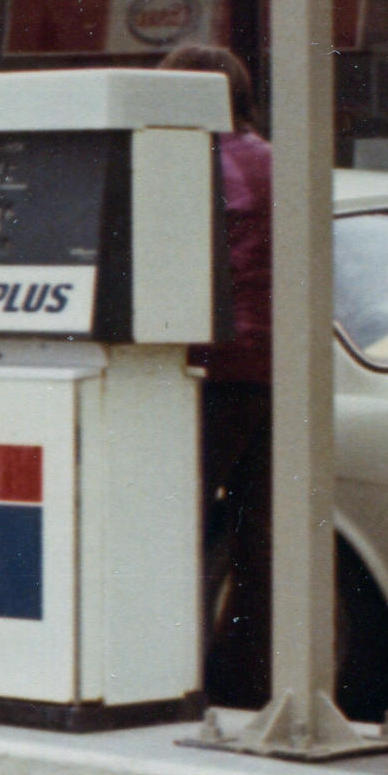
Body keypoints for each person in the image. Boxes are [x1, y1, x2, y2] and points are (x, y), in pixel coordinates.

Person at [161, 40, 273, 705]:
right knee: (258, 546)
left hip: (206, 370)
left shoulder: (190, 165)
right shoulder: (266, 157)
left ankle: (166, 677)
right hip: (271, 368)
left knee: (167, 527)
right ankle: (244, 687)